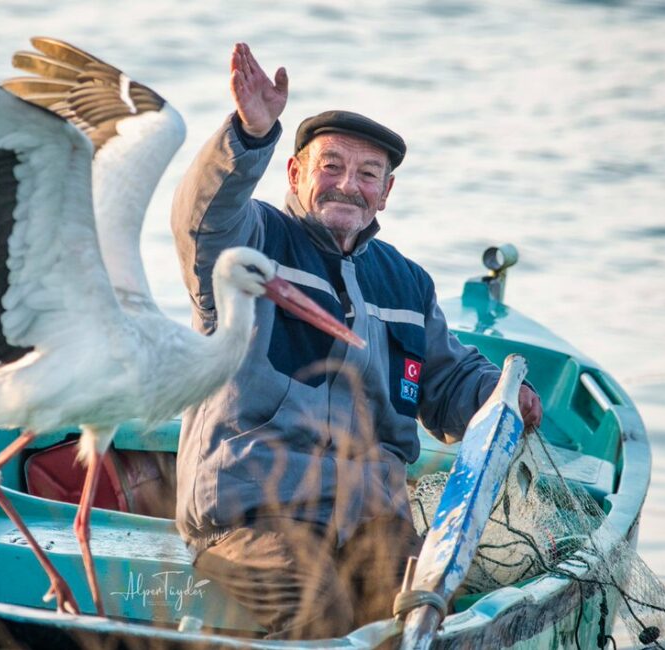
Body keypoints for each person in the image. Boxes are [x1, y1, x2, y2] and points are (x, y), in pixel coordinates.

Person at [170, 42, 543, 640]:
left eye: (368, 174)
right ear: (295, 174)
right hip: (257, 519)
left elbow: (446, 383)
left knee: (428, 617)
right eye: (332, 166)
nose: (349, 185)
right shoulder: (251, 241)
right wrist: (248, 134)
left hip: (373, 521)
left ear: (386, 193)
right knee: (318, 613)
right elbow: (201, 218)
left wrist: (496, 395)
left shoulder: (406, 282)